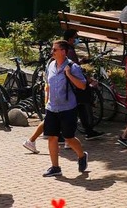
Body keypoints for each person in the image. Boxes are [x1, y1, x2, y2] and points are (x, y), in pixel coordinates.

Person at [41, 40, 88, 178]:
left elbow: (82, 86)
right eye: (52, 49)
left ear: (63, 51)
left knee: (69, 137)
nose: (52, 52)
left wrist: (69, 75)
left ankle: (81, 155)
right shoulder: (50, 65)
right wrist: (46, 99)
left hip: (67, 108)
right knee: (52, 137)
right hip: (52, 107)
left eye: (55, 49)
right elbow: (47, 83)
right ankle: (55, 167)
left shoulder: (73, 67)